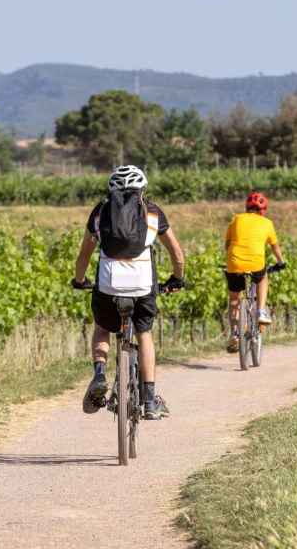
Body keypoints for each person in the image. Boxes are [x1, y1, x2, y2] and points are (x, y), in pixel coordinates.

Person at [71, 165, 185, 420]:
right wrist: (177, 278)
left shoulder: (100, 212)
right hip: (143, 285)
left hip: (108, 285)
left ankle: (99, 373)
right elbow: (176, 253)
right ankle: (149, 399)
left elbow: (83, 255)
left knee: (102, 328)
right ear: (142, 189)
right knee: (144, 333)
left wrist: (80, 280)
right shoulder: (153, 212)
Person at [224, 191, 286, 353]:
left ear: (246, 208)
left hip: (234, 262)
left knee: (234, 299)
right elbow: (275, 246)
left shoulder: (236, 219)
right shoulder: (267, 223)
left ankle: (235, 334)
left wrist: (231, 259)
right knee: (263, 276)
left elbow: (227, 244)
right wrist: (281, 262)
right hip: (256, 262)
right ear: (263, 210)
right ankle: (260, 311)